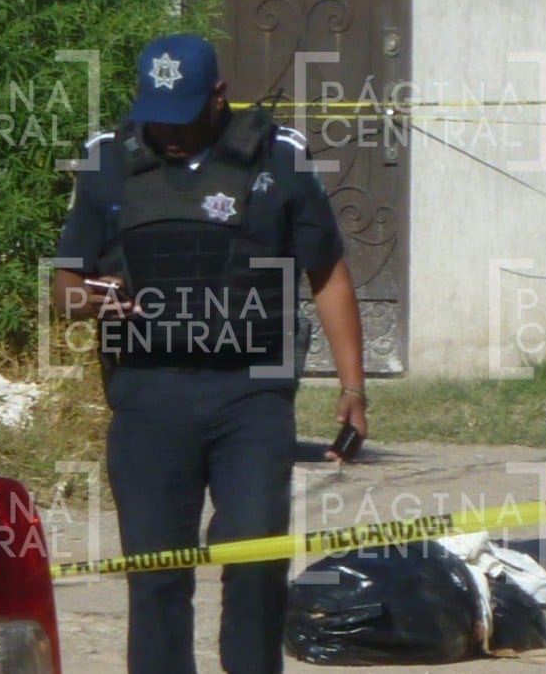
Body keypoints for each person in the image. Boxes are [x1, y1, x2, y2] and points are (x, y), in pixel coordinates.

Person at [52, 34, 368, 674]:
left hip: (249, 398)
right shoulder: (108, 161)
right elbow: (63, 287)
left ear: (219, 97)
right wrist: (93, 299)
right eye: (156, 115)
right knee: (157, 578)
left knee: (255, 562)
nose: (166, 131)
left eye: (182, 115)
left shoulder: (279, 159)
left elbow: (327, 273)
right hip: (148, 399)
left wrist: (353, 389)